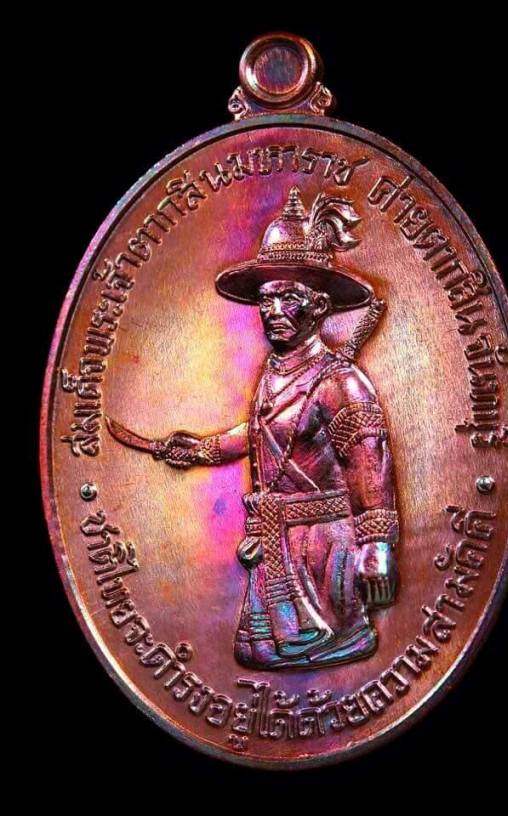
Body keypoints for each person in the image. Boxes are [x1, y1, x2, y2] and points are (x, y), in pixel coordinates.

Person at [117, 187, 399, 670]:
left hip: (323, 546)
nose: (272, 310)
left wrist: (376, 547)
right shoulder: (274, 374)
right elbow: (263, 431)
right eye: (267, 300)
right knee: (262, 653)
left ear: (319, 306)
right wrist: (204, 449)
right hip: (276, 543)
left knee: (324, 646)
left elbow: (369, 464)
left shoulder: (342, 382)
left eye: (288, 298)